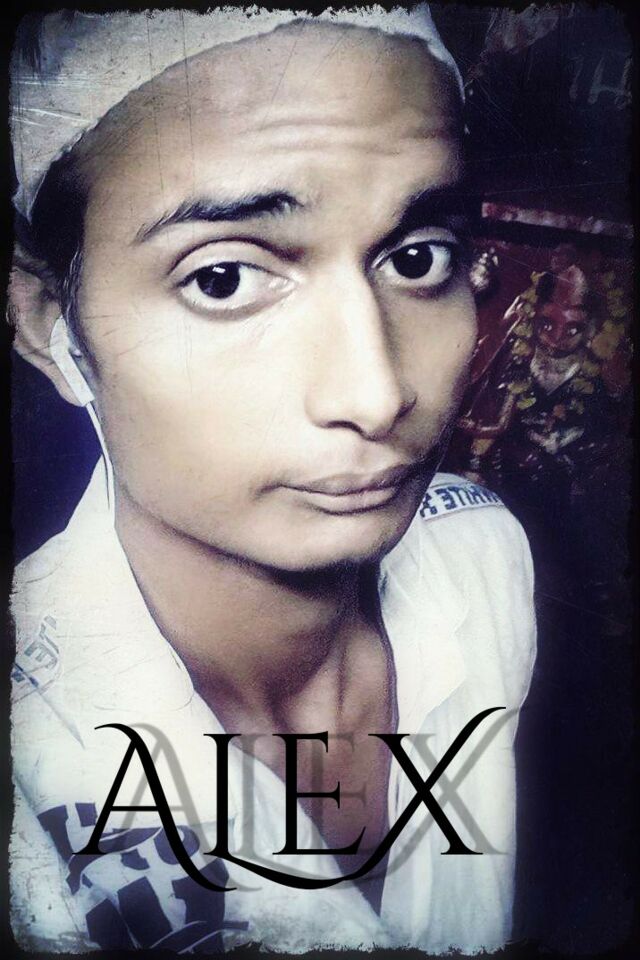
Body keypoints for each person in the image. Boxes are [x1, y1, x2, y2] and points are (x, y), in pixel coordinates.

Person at [9, 7, 536, 954]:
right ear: (50, 320)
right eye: (224, 279)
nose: (375, 395)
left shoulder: (486, 555)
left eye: (418, 258)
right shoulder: (32, 783)